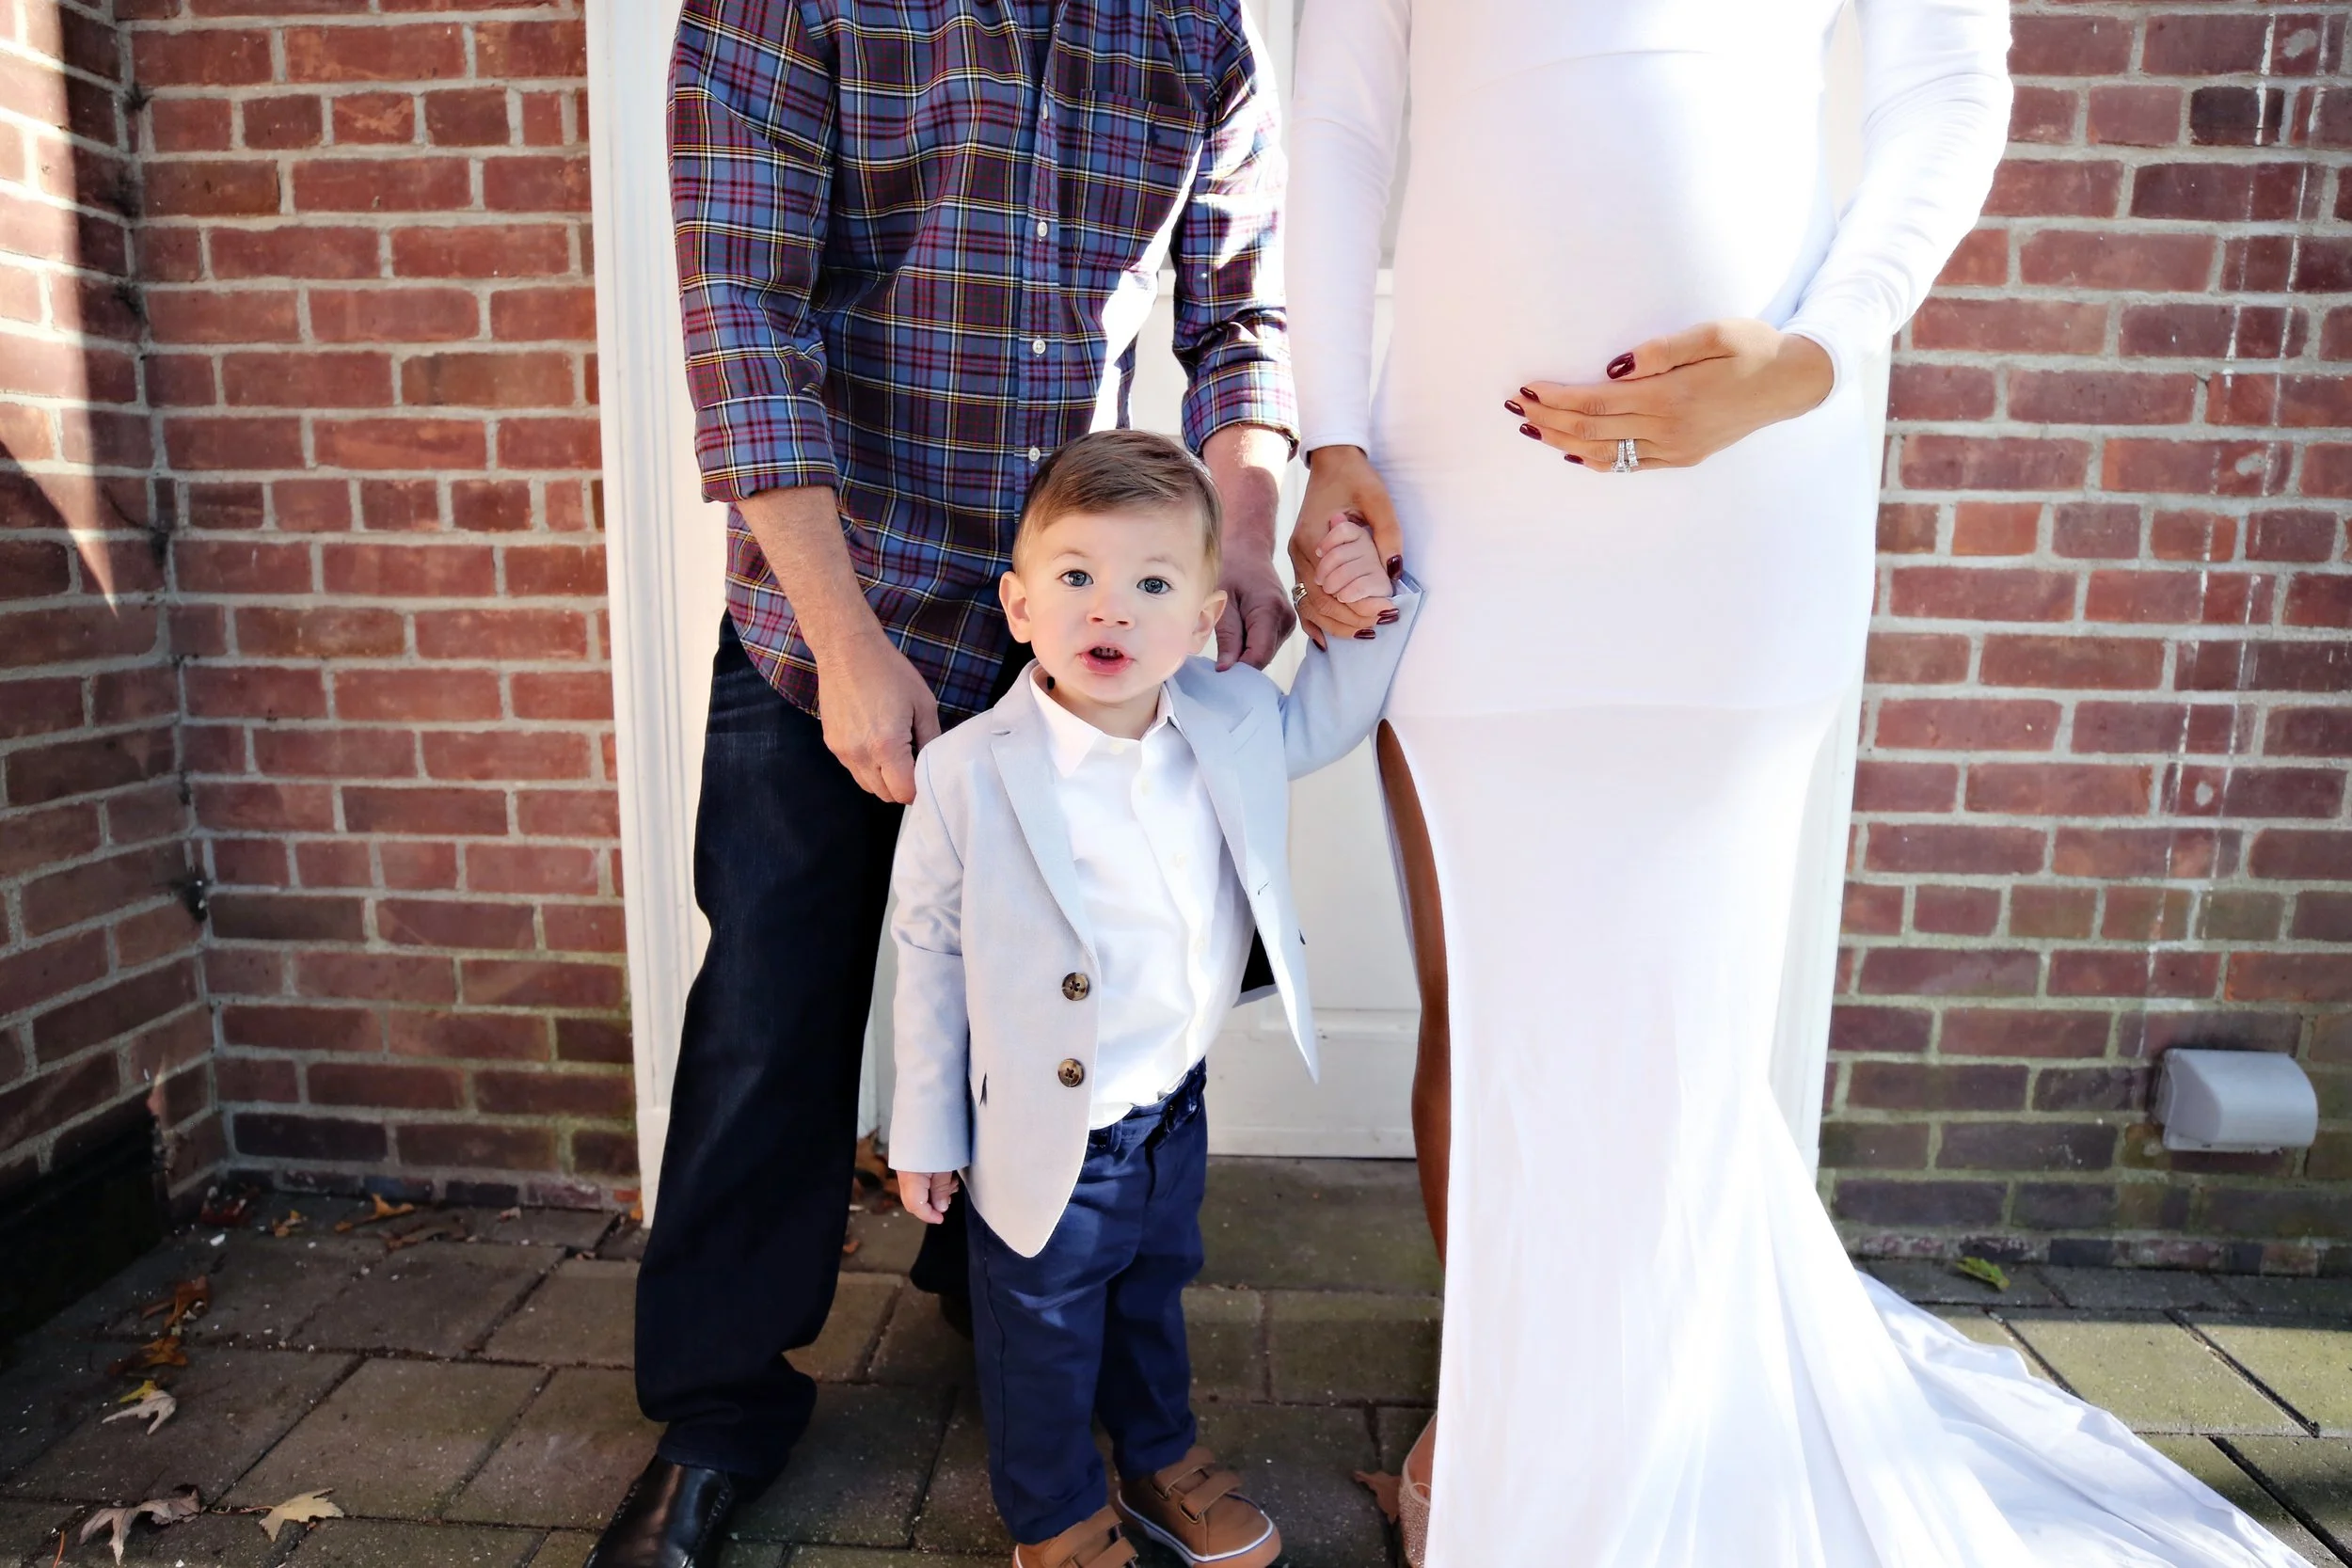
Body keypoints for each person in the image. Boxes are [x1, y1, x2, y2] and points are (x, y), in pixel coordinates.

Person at [1283, 1, 2313, 1565]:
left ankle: (1653, 1436)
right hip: (1470, 498)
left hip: (1752, 494)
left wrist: (1820, 354)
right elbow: (1342, 121)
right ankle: (1498, 1430)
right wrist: (1329, 430)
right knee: (1491, 994)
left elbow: (1951, 86)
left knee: (1687, 1015)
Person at [596, 2, 1298, 1561]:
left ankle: (1000, 1290)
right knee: (773, 1016)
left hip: (1082, 624)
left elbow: (1243, 313)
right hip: (839, 602)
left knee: (1069, 992)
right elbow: (743, 321)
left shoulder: (1194, 24)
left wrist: (1239, 536)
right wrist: (844, 643)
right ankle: (719, 1412)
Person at [887, 431, 1416, 1568]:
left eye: (1153, 584)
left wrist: (1376, 597)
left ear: (1204, 619)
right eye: (1076, 577)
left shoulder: (1228, 723)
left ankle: (1158, 1456)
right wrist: (926, 1124)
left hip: (1171, 1102)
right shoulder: (969, 770)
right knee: (1041, 1335)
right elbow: (927, 946)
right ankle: (1057, 1521)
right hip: (1041, 1127)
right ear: (1020, 604)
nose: (1110, 612)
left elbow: (1336, 706)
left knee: (1150, 1296)